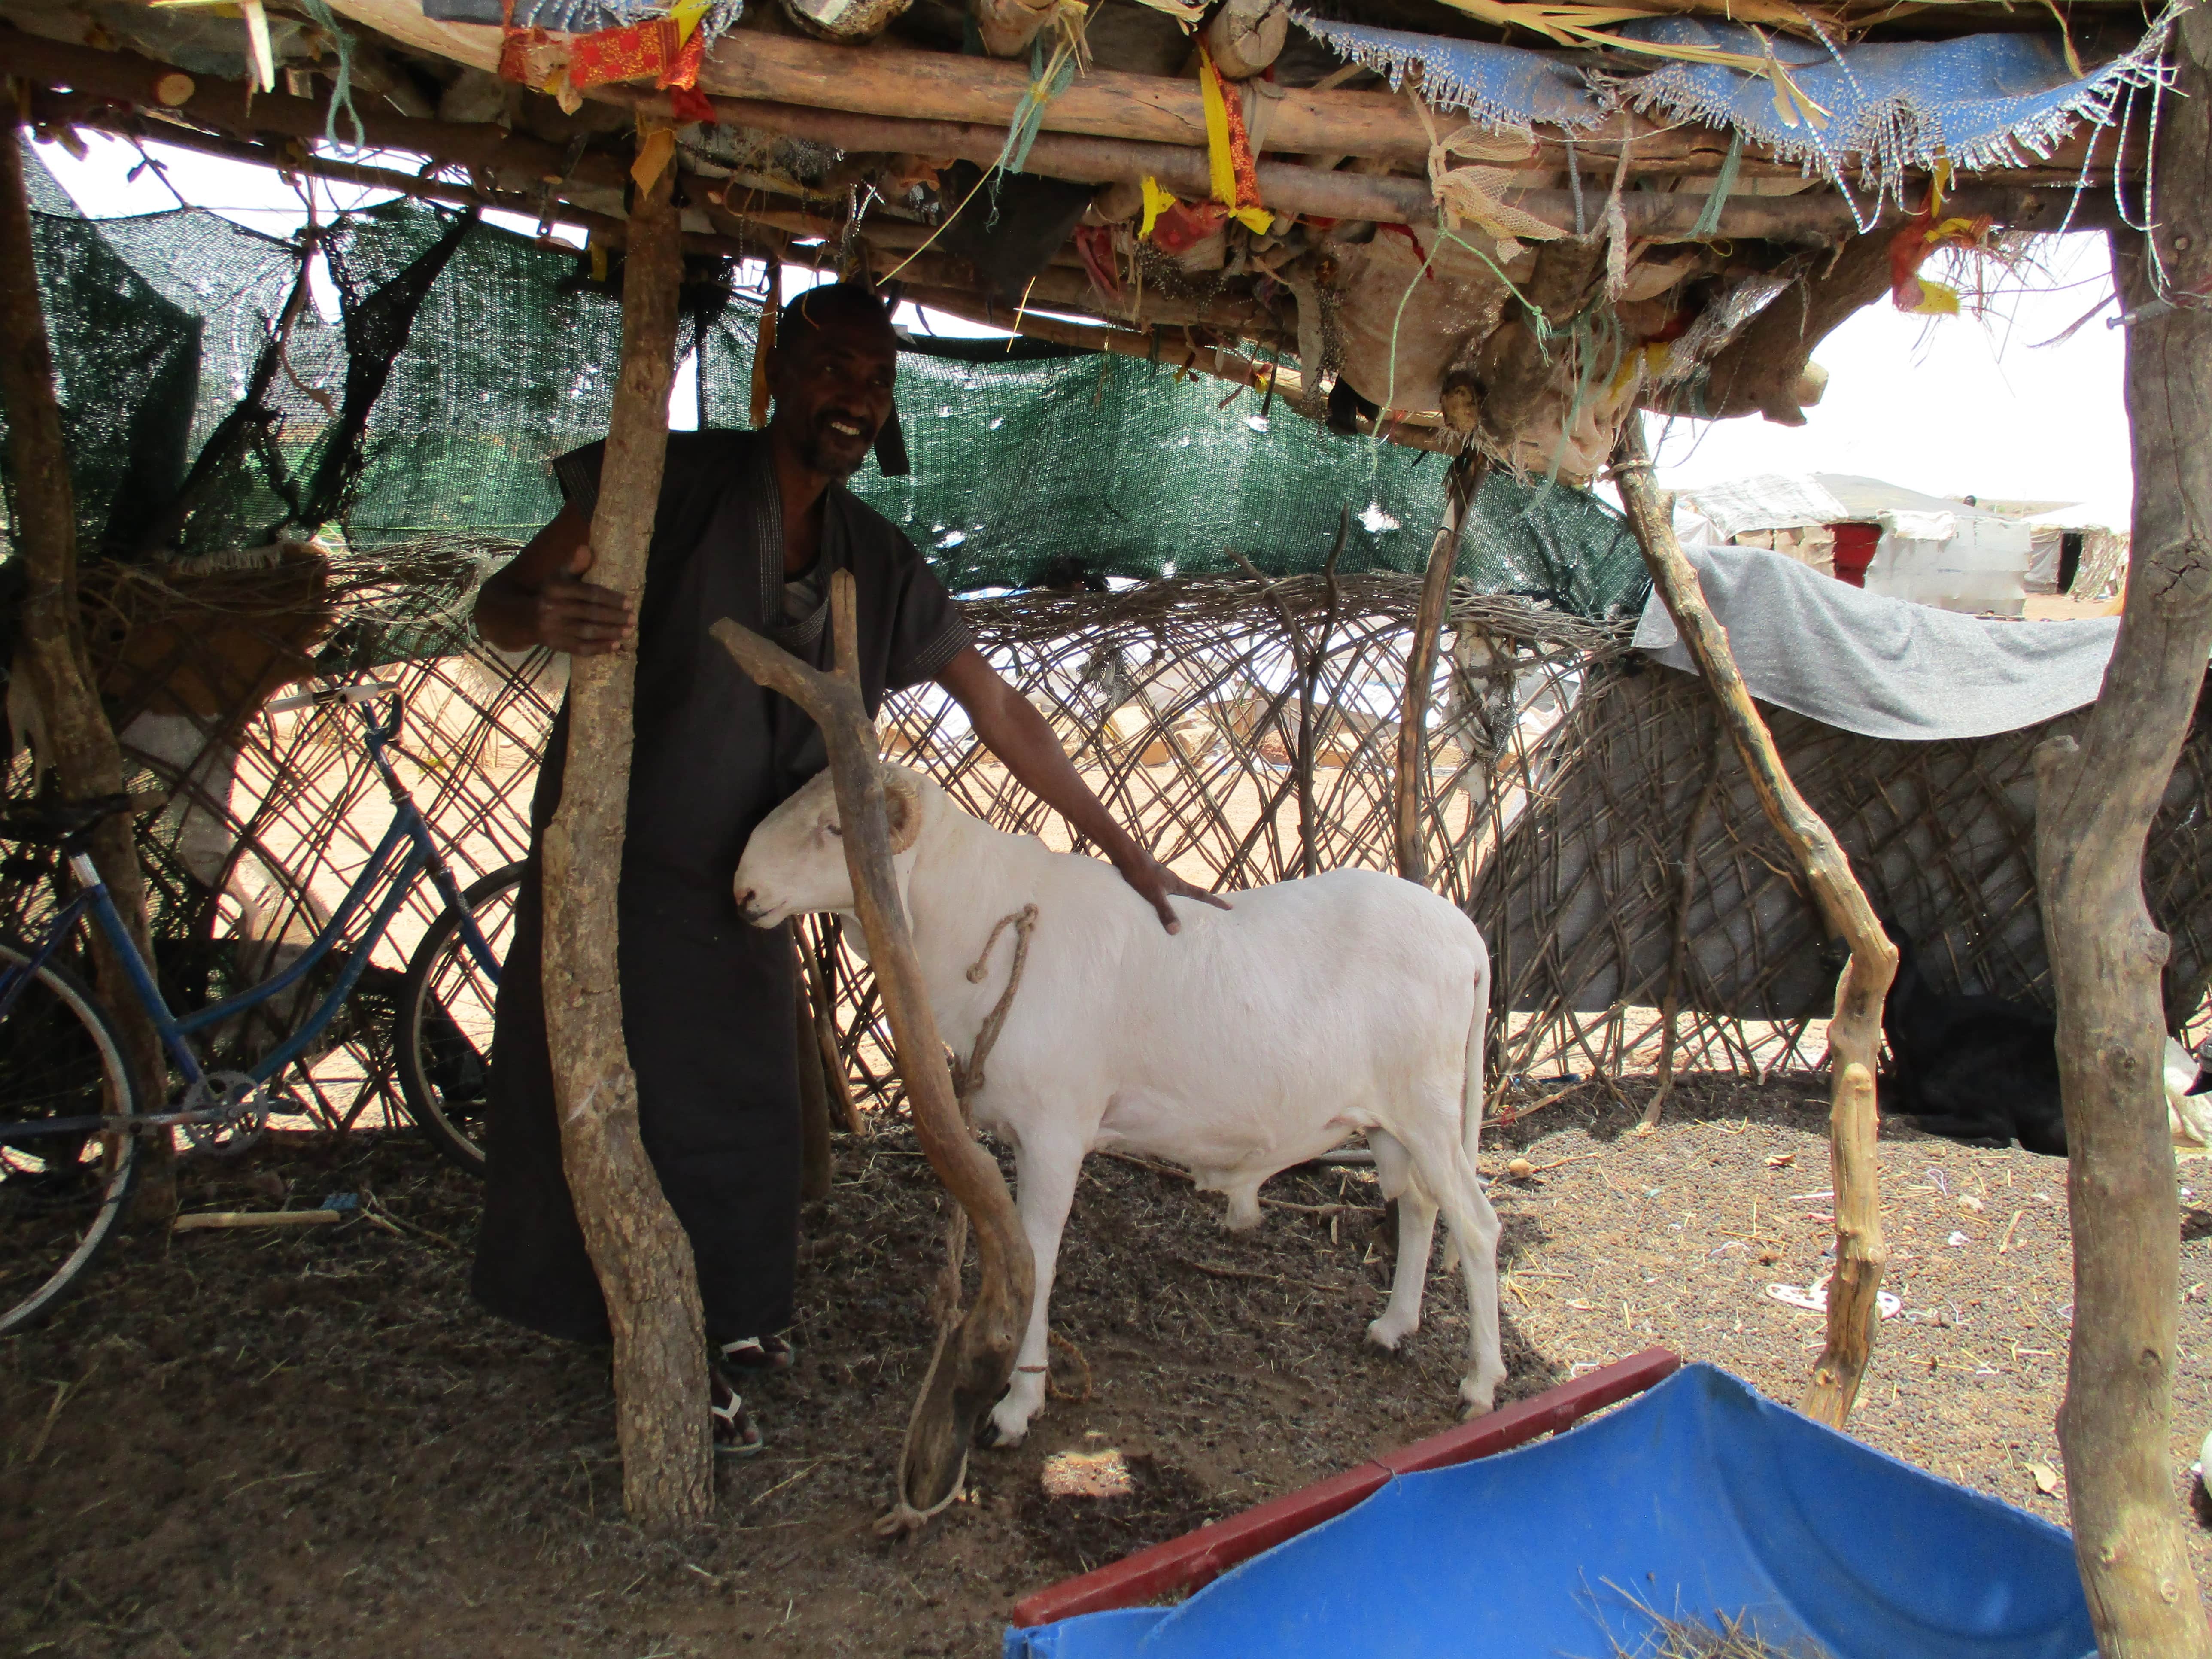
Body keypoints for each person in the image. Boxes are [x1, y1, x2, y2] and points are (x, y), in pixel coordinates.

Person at [468, 282, 1221, 1455]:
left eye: (877, 382)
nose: (855, 399)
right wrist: (548, 611)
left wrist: (1122, 847)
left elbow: (1000, 710)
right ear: (778, 369)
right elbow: (498, 604)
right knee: (614, 1100)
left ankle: (728, 1324)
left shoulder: (876, 556)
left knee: (741, 1109)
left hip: (755, 883)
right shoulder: (665, 484)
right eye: (832, 370)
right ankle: (630, 1329)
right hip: (625, 859)